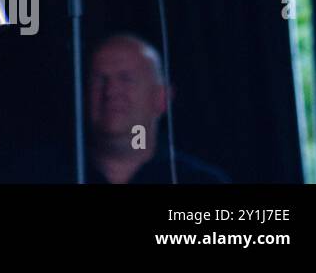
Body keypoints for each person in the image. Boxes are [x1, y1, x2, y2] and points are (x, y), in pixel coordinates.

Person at [85, 32, 227, 184]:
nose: (110, 91)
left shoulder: (200, 181)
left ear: (161, 98)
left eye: (126, 79)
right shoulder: (66, 174)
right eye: (99, 79)